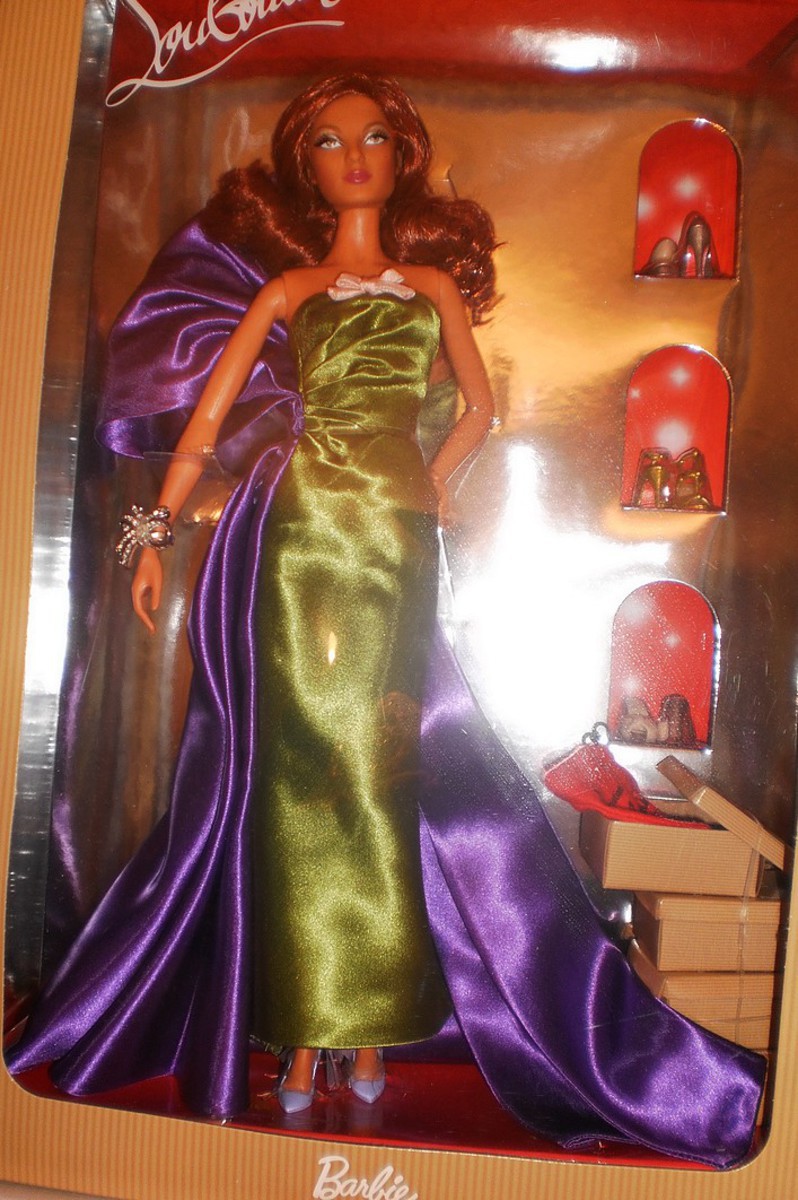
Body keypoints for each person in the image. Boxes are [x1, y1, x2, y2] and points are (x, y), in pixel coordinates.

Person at [7, 74, 765, 1166]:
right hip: (302, 541)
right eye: (328, 140)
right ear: (305, 164)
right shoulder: (291, 289)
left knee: (381, 775)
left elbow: (480, 407)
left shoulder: (430, 288)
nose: (353, 154)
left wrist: (436, 480)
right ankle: (305, 1036)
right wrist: (155, 532)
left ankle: (366, 1026)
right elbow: (207, 418)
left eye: (372, 137)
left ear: (402, 155)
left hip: (394, 546)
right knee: (296, 783)